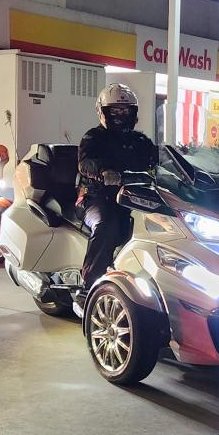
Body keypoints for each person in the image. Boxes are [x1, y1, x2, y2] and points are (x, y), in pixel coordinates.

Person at [77, 83, 157, 291]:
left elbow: (159, 160)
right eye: (115, 110)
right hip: (96, 197)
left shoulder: (140, 140)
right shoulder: (94, 137)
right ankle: (91, 283)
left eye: (126, 110)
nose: (121, 114)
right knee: (107, 225)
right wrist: (103, 171)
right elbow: (85, 163)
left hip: (134, 197)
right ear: (103, 111)